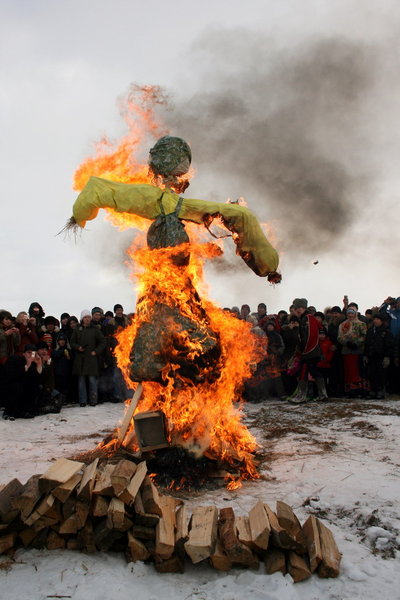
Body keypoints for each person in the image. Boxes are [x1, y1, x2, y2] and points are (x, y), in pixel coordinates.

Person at [288, 298, 326, 403]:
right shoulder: (303, 318)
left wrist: (303, 348)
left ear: (303, 308)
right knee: (312, 371)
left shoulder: (308, 318)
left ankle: (302, 395)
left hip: (310, 350)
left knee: (305, 371)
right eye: (296, 308)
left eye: (299, 308)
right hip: (309, 350)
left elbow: (310, 335)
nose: (297, 310)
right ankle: (322, 394)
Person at [70, 310, 106, 406]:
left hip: (91, 358)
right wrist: (78, 347)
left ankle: (93, 400)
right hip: (80, 359)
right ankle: (83, 401)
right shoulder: (77, 329)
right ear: (82, 319)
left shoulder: (95, 329)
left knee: (92, 380)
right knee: (81, 381)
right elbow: (72, 342)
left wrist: (96, 351)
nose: (87, 319)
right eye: (85, 317)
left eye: (89, 317)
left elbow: (103, 341)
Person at [2, 344, 43, 419]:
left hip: (22, 391)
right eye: (29, 352)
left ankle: (24, 410)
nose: (31, 355)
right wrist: (26, 366)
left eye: (33, 353)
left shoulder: (32, 364)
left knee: (36, 387)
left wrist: (39, 365)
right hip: (8, 388)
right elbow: (10, 375)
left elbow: (36, 381)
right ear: (23, 354)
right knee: (17, 386)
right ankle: (9, 412)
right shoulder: (14, 359)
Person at [338, 307, 367, 398]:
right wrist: (346, 342)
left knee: (357, 370)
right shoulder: (343, 324)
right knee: (348, 370)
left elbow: (364, 336)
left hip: (358, 350)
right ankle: (350, 390)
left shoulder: (361, 324)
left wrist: (357, 343)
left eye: (352, 313)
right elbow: (339, 337)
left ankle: (359, 389)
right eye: (349, 313)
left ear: (355, 314)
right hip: (346, 350)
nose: (350, 315)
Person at [364, 313, 394, 399]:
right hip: (371, 355)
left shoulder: (386, 331)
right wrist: (365, 355)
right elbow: (366, 343)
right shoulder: (370, 330)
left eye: (377, 319)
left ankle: (380, 390)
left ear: (382, 321)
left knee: (381, 374)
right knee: (372, 373)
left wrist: (387, 356)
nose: (375, 321)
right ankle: (373, 390)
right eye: (374, 319)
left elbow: (389, 345)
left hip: (381, 356)